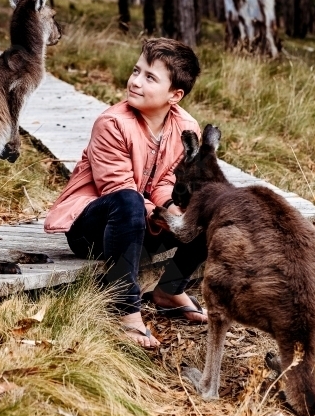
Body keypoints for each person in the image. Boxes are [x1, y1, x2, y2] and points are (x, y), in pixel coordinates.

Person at [44, 38, 207, 348]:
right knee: (129, 201)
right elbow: (117, 189)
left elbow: (166, 182)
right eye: (136, 71)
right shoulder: (112, 123)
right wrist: (160, 216)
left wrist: (173, 209)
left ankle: (170, 289)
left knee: (210, 210)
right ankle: (125, 308)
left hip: (142, 223)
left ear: (175, 95)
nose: (135, 81)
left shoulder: (186, 127)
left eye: (149, 77)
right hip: (94, 225)